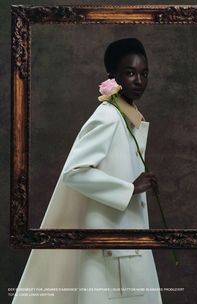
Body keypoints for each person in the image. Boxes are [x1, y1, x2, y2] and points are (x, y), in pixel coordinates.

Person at [11, 38, 163, 304]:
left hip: (122, 247)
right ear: (112, 77)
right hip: (110, 250)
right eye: (129, 73)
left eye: (144, 73)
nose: (139, 80)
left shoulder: (128, 117)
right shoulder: (108, 116)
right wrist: (130, 188)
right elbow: (74, 172)